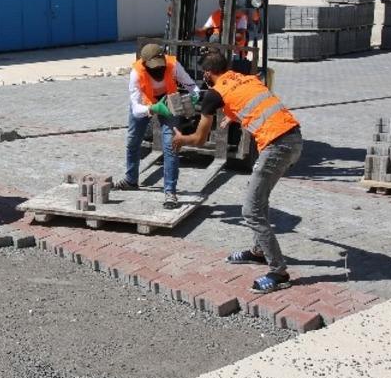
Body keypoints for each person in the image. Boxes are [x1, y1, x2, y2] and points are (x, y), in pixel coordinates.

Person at [172, 52, 303, 294]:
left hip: (277, 146)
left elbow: (200, 139)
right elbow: (248, 100)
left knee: (250, 210)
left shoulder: (213, 94)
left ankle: (279, 272)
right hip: (293, 137)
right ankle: (258, 251)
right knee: (259, 199)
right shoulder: (247, 78)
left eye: (204, 75)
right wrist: (232, 117)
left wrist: (182, 140)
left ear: (208, 74)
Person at [118, 43, 198, 209]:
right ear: (145, 64)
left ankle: (170, 192)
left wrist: (195, 95)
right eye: (154, 67)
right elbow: (136, 109)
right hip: (145, 104)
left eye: (160, 65)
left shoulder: (173, 65)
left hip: (169, 104)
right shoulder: (136, 74)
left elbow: (191, 85)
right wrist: (153, 108)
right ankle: (131, 180)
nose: (159, 70)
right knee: (133, 141)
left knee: (170, 146)